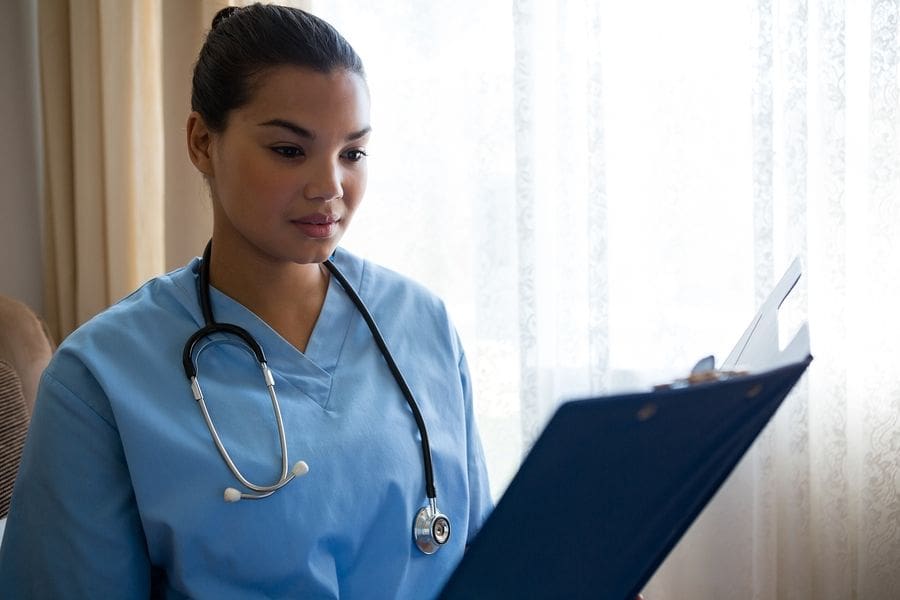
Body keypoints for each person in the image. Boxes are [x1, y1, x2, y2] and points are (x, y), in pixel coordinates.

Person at [0, 4, 492, 598]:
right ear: (203, 142)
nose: (330, 187)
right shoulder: (100, 380)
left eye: (352, 153)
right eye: (290, 150)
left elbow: (490, 559)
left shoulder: (423, 324)